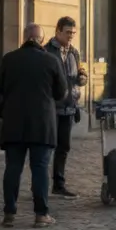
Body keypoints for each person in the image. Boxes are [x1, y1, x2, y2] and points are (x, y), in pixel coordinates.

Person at [0, 23, 68, 228]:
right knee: (40, 169)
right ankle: (41, 214)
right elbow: (61, 93)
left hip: (13, 122)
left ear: (24, 38)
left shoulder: (9, 59)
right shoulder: (50, 60)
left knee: (13, 168)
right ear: (41, 40)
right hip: (42, 124)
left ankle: (9, 213)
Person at [45, 16, 86, 199]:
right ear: (58, 31)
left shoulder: (74, 52)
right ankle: (40, 184)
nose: (71, 36)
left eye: (73, 33)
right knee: (46, 147)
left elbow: (78, 73)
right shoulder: (46, 52)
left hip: (69, 107)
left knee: (64, 147)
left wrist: (82, 77)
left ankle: (58, 185)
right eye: (68, 32)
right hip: (51, 107)